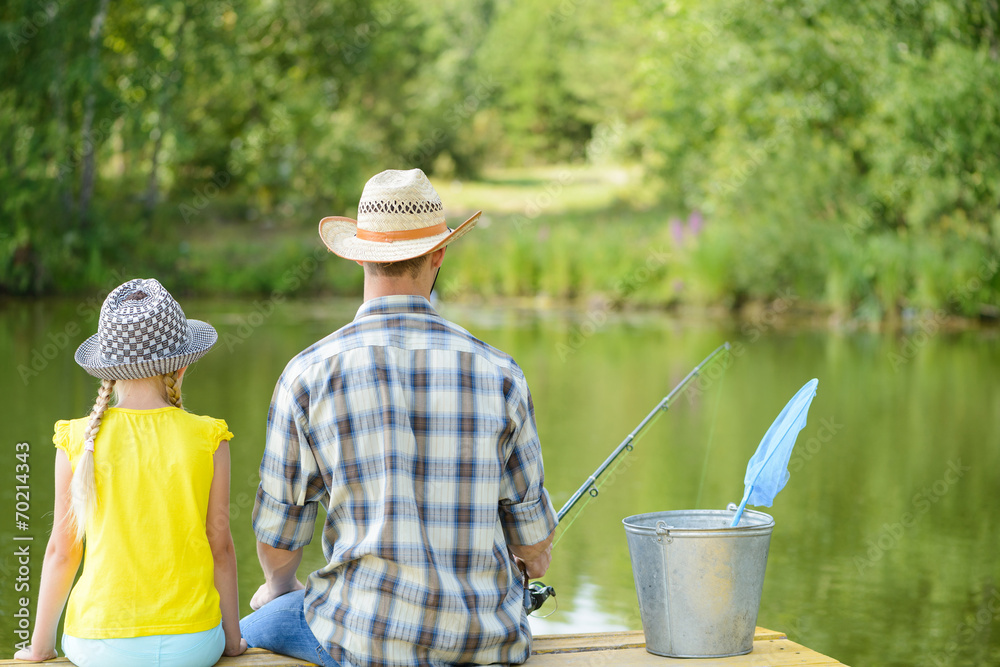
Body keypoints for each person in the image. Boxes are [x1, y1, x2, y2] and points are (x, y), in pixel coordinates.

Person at [241, 168, 559, 667]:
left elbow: (279, 535)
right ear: (439, 254)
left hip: (361, 640)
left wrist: (280, 588)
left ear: (360, 254)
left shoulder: (307, 374)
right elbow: (533, 542)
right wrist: (530, 560)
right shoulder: (501, 374)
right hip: (487, 644)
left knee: (245, 630)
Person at [14, 278, 246, 667]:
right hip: (193, 644)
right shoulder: (209, 437)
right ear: (182, 365)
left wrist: (40, 649)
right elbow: (219, 547)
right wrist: (233, 640)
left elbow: (62, 552)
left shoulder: (77, 438)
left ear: (107, 370)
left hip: (99, 643)